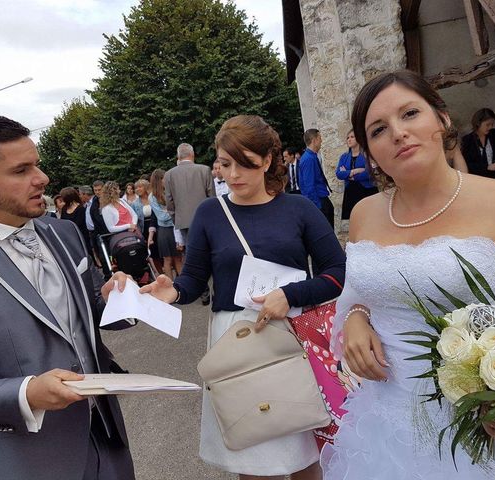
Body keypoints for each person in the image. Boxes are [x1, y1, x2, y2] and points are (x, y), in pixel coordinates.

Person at [321, 70, 495, 479]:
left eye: (410, 113)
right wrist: (356, 317)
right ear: (370, 150)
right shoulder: (363, 215)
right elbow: (361, 291)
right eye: (378, 129)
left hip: (492, 431)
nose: (398, 133)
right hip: (387, 420)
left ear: (442, 119)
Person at [0, 112, 136, 480]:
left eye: (37, 164)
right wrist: (26, 393)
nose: (42, 178)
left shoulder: (63, 232)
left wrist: (130, 298)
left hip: (106, 438)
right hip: (26, 458)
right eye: (21, 171)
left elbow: (91, 313)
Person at [140, 115, 346, 480]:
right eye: (224, 163)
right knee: (253, 457)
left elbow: (338, 274)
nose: (232, 174)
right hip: (235, 340)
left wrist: (290, 293)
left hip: (293, 337)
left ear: (268, 160)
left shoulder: (299, 209)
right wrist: (171, 291)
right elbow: (192, 279)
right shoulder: (210, 213)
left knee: (304, 454)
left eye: (244, 162)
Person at [164, 143, 215, 304]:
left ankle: (203, 290)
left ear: (178, 157)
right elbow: (212, 197)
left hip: (183, 220)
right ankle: (218, 286)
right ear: (192, 155)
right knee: (214, 251)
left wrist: (176, 219)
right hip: (207, 219)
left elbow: (169, 202)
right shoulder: (204, 170)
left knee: (192, 255)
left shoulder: (170, 174)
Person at [335, 129, 377, 224]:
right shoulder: (344, 157)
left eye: (352, 137)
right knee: (354, 221)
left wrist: (350, 175)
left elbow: (370, 172)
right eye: (347, 138)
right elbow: (339, 174)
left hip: (367, 190)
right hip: (351, 191)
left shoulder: (367, 154)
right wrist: (355, 171)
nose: (349, 140)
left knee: (371, 220)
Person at [149, 169, 183, 279]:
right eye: (165, 178)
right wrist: (174, 212)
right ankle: (170, 285)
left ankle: (182, 285)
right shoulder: (153, 197)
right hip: (165, 231)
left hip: (175, 227)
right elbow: (161, 217)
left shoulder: (171, 191)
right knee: (167, 259)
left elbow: (180, 208)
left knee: (178, 258)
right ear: (159, 180)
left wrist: (170, 212)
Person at [461, 108, 495, 181]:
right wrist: (486, 167)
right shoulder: (467, 140)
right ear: (478, 123)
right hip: (479, 181)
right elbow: (466, 164)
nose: (490, 127)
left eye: (492, 124)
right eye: (487, 124)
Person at [299, 129, 334, 228]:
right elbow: (308, 185)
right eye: (319, 138)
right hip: (319, 200)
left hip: (321, 198)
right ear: (314, 140)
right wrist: (317, 207)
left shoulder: (311, 157)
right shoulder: (308, 159)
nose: (321, 141)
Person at [133, 179, 161, 274]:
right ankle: (160, 273)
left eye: (140, 187)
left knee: (164, 251)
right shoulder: (135, 203)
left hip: (159, 225)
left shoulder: (154, 198)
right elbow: (135, 220)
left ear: (146, 187)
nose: (137, 189)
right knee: (153, 253)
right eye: (136, 188)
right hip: (145, 228)